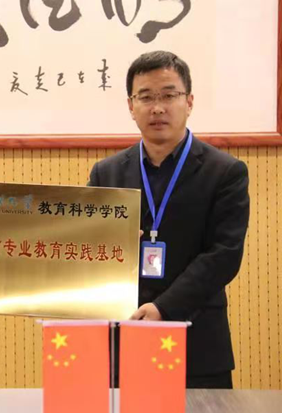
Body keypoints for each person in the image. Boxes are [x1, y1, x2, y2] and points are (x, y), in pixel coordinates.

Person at [88, 51, 249, 388]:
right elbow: (85, 245)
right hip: (124, 335)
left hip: (197, 342)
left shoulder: (225, 172)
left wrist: (164, 308)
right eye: (146, 97)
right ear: (131, 106)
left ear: (189, 102)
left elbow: (224, 255)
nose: (157, 107)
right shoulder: (107, 173)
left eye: (168, 95)